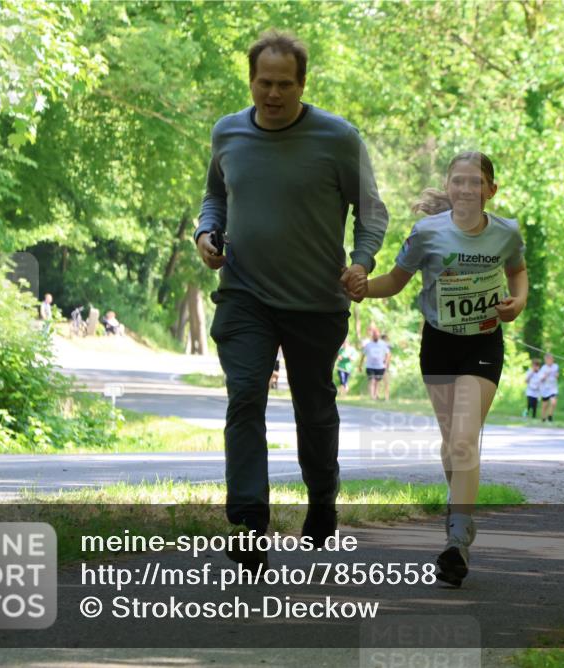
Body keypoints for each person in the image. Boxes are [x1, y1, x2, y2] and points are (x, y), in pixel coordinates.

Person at [193, 30, 388, 568]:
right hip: (244, 294)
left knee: (314, 408)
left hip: (316, 301)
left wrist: (361, 263)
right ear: (250, 80)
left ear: (303, 84)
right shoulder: (227, 133)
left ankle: (322, 497)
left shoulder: (337, 138)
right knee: (246, 396)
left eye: (284, 85)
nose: (272, 94)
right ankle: (249, 520)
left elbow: (372, 214)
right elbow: (215, 196)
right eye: (263, 83)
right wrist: (206, 234)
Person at [361, 151, 528, 587]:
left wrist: (518, 301)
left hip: (483, 343)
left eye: (476, 182)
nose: (467, 190)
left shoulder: (507, 233)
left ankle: (457, 539)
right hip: (438, 345)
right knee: (450, 444)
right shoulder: (426, 233)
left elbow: (518, 272)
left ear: (491, 190)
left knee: (463, 438)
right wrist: (359, 288)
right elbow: (396, 281)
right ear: (449, 186)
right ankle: (459, 517)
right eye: (459, 181)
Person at [361, 327, 391, 400]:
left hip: (380, 366)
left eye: (377, 335)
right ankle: (372, 396)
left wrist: (386, 362)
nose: (376, 336)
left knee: (377, 381)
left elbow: (388, 354)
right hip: (370, 366)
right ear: (372, 336)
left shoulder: (383, 344)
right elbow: (363, 355)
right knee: (372, 380)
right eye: (374, 335)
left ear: (379, 335)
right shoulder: (368, 344)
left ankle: (376, 395)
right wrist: (360, 365)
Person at [539, 353, 559, 423]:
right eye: (549, 359)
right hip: (545, 388)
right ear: (546, 360)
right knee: (545, 405)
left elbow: (557, 375)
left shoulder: (555, 366)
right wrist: (545, 375)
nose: (551, 361)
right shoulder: (543, 368)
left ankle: (550, 416)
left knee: (553, 402)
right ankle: (543, 418)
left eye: (552, 359)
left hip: (553, 388)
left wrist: (556, 375)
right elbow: (541, 379)